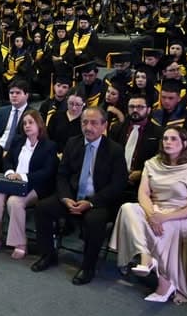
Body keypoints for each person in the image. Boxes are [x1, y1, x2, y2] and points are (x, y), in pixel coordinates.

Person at [31, 107, 128, 285]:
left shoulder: (115, 150)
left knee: (94, 221)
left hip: (98, 201)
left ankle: (88, 267)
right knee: (42, 208)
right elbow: (62, 175)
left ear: (104, 125)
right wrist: (65, 198)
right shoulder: (72, 143)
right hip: (72, 197)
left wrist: (90, 203)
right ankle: (48, 255)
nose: (88, 127)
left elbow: (118, 185)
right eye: (85, 122)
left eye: (94, 123)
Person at [110, 127, 187, 303]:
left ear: (185, 143)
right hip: (154, 209)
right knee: (127, 208)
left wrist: (164, 218)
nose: (168, 142)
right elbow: (143, 194)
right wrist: (152, 215)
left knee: (165, 227)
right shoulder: (152, 163)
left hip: (180, 214)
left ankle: (165, 284)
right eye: (165, 138)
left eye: (173, 139)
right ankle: (146, 256)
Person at [0, 110, 58, 260]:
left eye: (31, 122)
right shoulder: (18, 140)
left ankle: (20, 243)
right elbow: (7, 160)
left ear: (39, 124)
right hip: (13, 181)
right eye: (25, 123)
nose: (27, 126)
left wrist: (23, 177)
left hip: (34, 185)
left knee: (14, 202)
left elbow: (47, 171)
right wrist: (10, 173)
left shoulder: (49, 146)